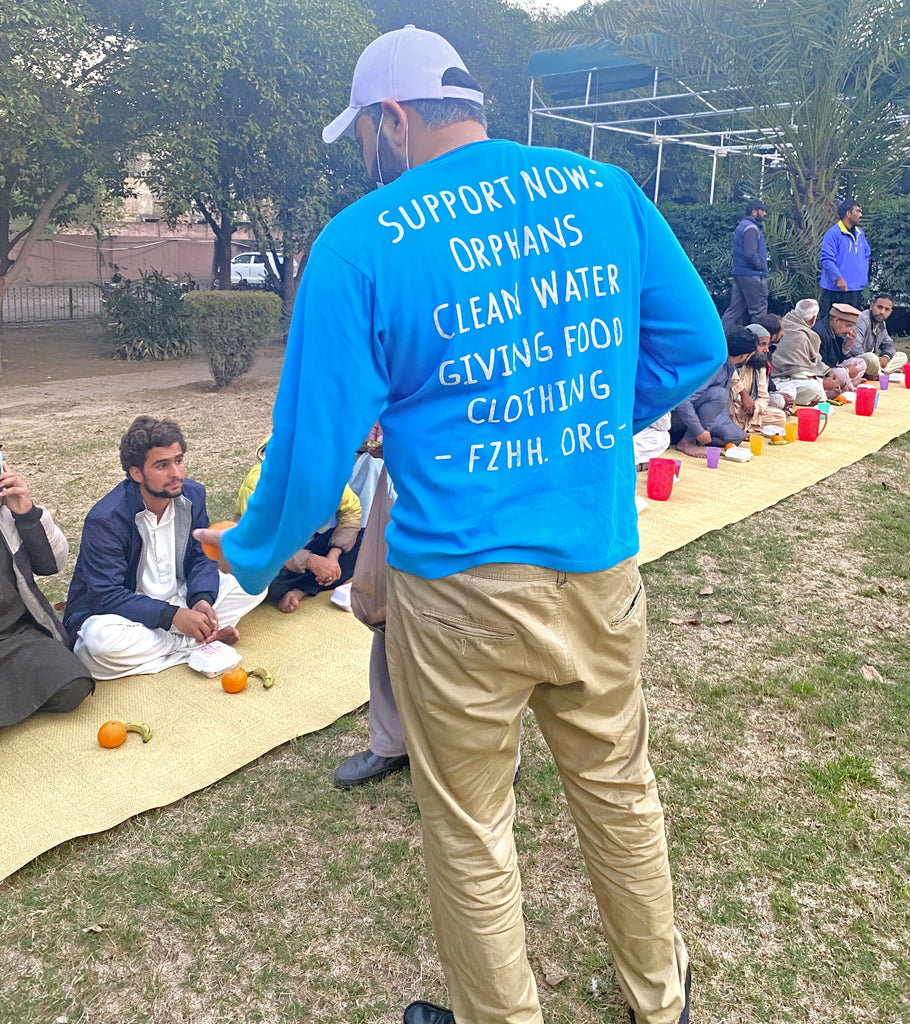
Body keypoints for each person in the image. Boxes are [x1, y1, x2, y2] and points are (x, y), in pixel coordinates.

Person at [200, 25, 725, 1024]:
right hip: (596, 558)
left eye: (362, 132)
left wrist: (257, 549)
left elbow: (312, 456)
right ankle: (661, 1002)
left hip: (458, 587)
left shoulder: (362, 242)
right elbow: (693, 342)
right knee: (618, 785)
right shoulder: (603, 189)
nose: (364, 153)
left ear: (393, 120)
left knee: (472, 825)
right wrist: (572, 431)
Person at [64, 416, 265, 679]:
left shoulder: (192, 496)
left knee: (254, 581)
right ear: (136, 473)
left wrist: (201, 599)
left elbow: (201, 556)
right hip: (125, 613)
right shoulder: (106, 520)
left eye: (178, 461)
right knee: (98, 644)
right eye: (162, 465)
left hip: (179, 597)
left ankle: (189, 638)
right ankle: (196, 642)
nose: (176, 473)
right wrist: (175, 618)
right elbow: (106, 595)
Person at [0, 455, 94, 726]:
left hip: (17, 638)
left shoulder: (8, 513)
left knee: (73, 683)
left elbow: (53, 564)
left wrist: (26, 514)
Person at [236, 438, 364, 613]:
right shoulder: (259, 481)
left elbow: (351, 511)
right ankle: (302, 583)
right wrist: (310, 561)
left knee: (366, 542)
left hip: (307, 546)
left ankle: (301, 589)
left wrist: (333, 557)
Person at [671, 328, 757, 457]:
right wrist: (699, 431)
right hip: (674, 416)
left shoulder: (727, 365)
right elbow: (684, 401)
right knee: (720, 394)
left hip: (699, 414)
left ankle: (685, 437)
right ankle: (687, 441)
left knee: (735, 436)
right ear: (743, 356)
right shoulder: (715, 366)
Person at [770, 298, 840, 406]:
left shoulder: (790, 321)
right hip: (778, 380)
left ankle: (820, 394)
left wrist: (827, 371)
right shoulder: (798, 334)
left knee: (837, 377)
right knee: (814, 388)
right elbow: (796, 370)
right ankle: (821, 394)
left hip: (795, 379)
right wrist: (823, 384)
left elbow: (812, 361)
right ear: (813, 319)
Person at [721, 200, 769, 334]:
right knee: (759, 311)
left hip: (740, 273)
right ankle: (755, 345)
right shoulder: (751, 228)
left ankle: (720, 337)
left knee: (734, 309)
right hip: (752, 274)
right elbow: (750, 254)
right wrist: (761, 267)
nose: (764, 213)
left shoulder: (742, 225)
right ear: (754, 211)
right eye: (762, 210)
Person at [818, 199, 870, 321]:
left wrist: (863, 276)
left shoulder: (860, 233)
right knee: (832, 324)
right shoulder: (833, 233)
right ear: (848, 213)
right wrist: (838, 278)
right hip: (835, 289)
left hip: (855, 289)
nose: (860, 215)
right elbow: (826, 259)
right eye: (858, 211)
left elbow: (867, 253)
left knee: (851, 324)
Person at [731, 325, 787, 434]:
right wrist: (744, 397)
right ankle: (740, 427)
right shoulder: (737, 361)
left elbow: (763, 397)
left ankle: (740, 427)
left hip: (747, 414)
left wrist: (754, 408)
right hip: (731, 410)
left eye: (768, 344)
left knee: (780, 416)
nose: (766, 350)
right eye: (762, 345)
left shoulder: (760, 365)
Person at [851, 293, 908, 379]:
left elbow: (889, 344)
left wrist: (886, 357)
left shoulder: (881, 323)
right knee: (872, 358)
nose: (882, 312)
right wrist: (876, 361)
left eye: (887, 309)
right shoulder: (862, 319)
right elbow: (854, 349)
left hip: (872, 363)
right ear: (871, 306)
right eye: (879, 307)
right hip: (856, 361)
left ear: (890, 312)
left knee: (902, 356)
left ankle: (877, 373)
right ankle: (880, 374)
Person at [814, 302, 867, 390]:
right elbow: (820, 365)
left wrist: (847, 346)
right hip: (822, 374)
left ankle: (847, 383)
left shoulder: (836, 331)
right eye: (848, 326)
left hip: (834, 369)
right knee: (841, 374)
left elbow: (840, 360)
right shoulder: (819, 333)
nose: (849, 331)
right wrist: (847, 371)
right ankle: (847, 385)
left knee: (861, 363)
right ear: (836, 320)